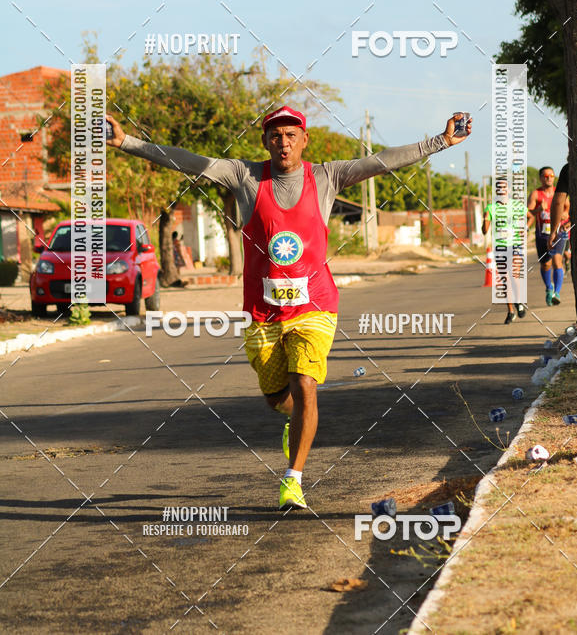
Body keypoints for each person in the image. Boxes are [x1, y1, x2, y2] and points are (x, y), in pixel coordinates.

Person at [106, 107, 471, 510]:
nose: (284, 142)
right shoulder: (244, 176)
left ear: (304, 140)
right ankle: (293, 420)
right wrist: (126, 142)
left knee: (305, 382)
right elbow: (188, 160)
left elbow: (381, 161)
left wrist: (441, 141)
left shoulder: (327, 176)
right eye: (276, 136)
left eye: (291, 135)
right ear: (265, 142)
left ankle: (292, 480)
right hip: (263, 313)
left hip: (315, 306)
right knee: (276, 396)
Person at [482, 178, 526, 324]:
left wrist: (524, 229)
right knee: (505, 280)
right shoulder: (490, 207)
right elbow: (484, 231)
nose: (502, 190)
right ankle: (510, 311)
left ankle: (519, 301)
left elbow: (529, 217)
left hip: (515, 244)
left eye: (504, 187)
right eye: (499, 187)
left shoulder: (516, 205)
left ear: (509, 189)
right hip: (500, 247)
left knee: (514, 275)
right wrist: (486, 220)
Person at [527, 167, 567, 306]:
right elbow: (529, 213)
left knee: (557, 261)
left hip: (558, 233)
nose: (549, 178)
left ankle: (557, 293)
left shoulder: (560, 192)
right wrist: (539, 209)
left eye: (551, 175)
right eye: (546, 176)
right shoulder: (536, 194)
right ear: (541, 178)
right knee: (545, 264)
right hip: (542, 234)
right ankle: (549, 288)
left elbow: (568, 208)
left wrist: (565, 214)